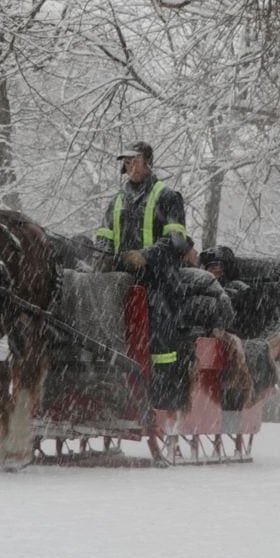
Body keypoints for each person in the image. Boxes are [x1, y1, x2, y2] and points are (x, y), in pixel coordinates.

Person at [93, 140, 191, 409]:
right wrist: (101, 255)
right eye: (126, 163)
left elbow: (177, 240)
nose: (131, 166)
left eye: (135, 161)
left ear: (148, 161)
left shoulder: (168, 197)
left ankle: (163, 397)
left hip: (160, 280)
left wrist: (145, 256)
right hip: (122, 280)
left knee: (159, 335)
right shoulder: (116, 201)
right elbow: (104, 236)